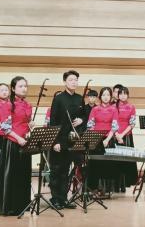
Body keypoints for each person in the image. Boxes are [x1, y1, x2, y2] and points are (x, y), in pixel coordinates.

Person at [48, 70, 87, 209]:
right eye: (71, 80)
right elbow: (53, 121)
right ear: (65, 82)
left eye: (76, 80)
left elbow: (84, 115)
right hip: (60, 140)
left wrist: (81, 120)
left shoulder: (79, 98)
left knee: (66, 171)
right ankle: (55, 199)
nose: (74, 82)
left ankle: (63, 198)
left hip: (72, 140)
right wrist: (55, 142)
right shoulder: (58, 98)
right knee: (56, 170)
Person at [0, 76, 33, 215]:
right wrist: (18, 138)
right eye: (20, 86)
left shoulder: (28, 105)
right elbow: (5, 127)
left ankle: (22, 205)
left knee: (24, 176)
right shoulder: (8, 105)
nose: (24, 89)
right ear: (13, 88)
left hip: (25, 142)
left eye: (25, 86)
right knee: (12, 176)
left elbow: (25, 123)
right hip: (12, 142)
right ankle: (10, 207)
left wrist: (30, 126)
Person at [86, 87, 118, 193]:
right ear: (100, 97)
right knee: (95, 164)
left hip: (109, 139)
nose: (106, 97)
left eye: (108, 95)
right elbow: (90, 125)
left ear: (111, 97)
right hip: (96, 139)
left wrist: (107, 140)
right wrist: (97, 138)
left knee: (108, 165)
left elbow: (114, 126)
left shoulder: (114, 109)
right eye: (103, 95)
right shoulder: (95, 109)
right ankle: (94, 188)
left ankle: (107, 190)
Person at [114, 85, 138, 190]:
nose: (123, 96)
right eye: (121, 94)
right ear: (118, 95)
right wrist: (116, 135)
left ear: (128, 95)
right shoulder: (113, 106)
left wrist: (122, 135)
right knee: (115, 161)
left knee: (125, 161)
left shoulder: (131, 107)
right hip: (114, 135)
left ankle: (124, 185)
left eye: (125, 94)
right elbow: (111, 122)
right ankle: (115, 185)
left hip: (126, 136)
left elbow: (132, 124)